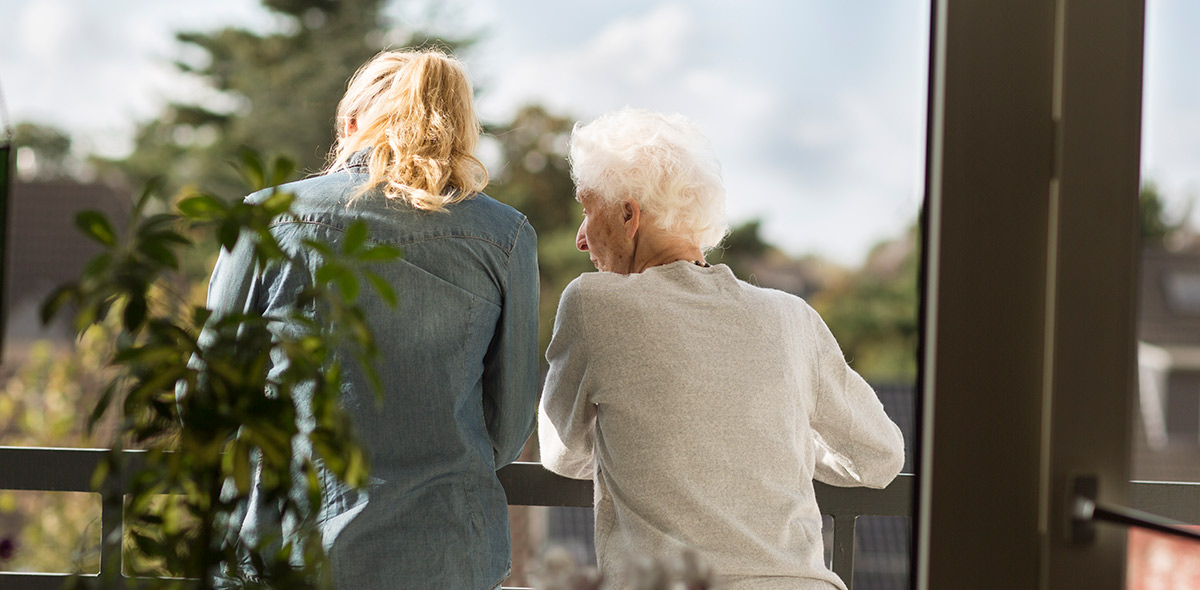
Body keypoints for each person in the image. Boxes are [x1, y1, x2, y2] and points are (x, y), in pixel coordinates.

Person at [200, 49, 539, 589]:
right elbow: (508, 424)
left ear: (352, 124)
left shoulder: (265, 218)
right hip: (448, 555)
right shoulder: (506, 236)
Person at [537, 108, 905, 590]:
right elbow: (880, 456)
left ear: (629, 215)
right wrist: (768, 438)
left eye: (588, 210)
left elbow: (562, 455)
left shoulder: (593, 303)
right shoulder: (791, 316)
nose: (582, 238)